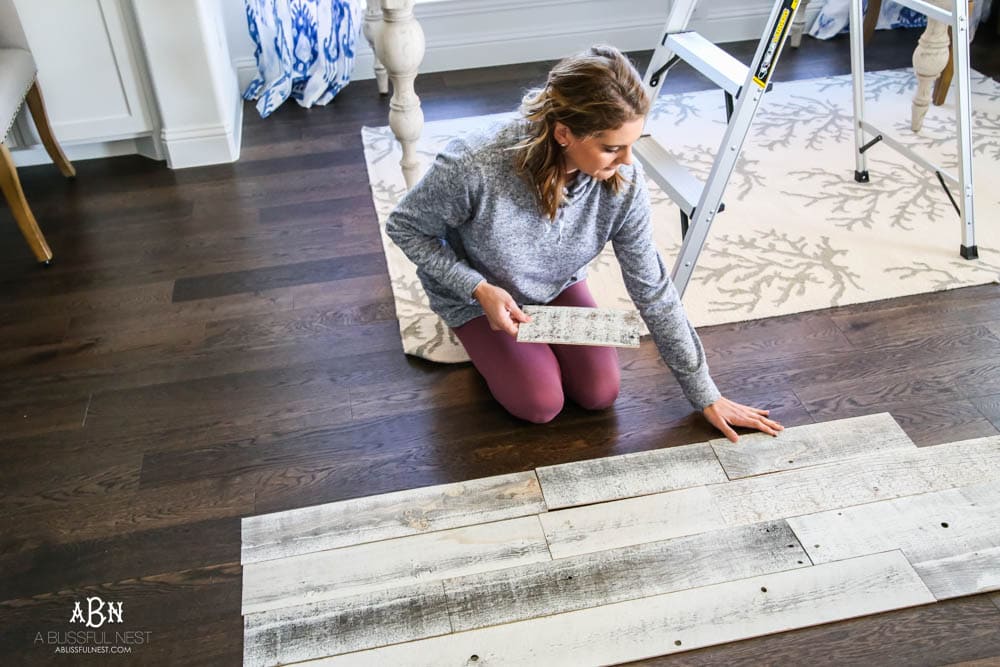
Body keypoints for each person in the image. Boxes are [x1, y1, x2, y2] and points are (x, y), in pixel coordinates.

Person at [386, 45, 783, 443]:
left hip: (556, 283)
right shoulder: (473, 164)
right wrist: (476, 287)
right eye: (612, 148)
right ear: (564, 133)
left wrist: (705, 394)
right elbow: (405, 227)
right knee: (540, 404)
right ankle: (481, 338)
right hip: (481, 296)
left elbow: (654, 291)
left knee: (600, 393)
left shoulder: (624, 182)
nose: (628, 161)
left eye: (633, 143)